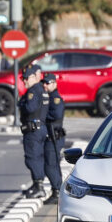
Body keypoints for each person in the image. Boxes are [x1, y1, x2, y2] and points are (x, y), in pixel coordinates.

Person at [17, 66, 49, 198]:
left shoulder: (33, 91)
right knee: (37, 158)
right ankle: (37, 184)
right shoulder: (41, 90)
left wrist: (21, 103)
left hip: (33, 130)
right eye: (23, 79)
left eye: (26, 78)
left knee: (31, 158)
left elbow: (30, 108)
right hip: (40, 128)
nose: (24, 81)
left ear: (32, 78)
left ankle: (39, 186)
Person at [42, 73, 65, 204]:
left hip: (54, 136)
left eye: (48, 83)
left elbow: (56, 113)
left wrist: (42, 114)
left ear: (54, 84)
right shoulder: (48, 97)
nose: (45, 85)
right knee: (52, 164)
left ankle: (56, 191)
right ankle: (57, 189)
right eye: (44, 83)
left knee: (50, 165)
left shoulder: (55, 98)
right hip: (51, 136)